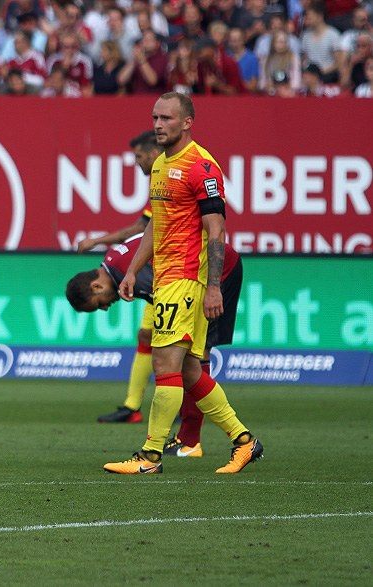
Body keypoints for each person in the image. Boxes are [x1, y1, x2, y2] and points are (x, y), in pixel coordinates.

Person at [105, 92, 263, 475]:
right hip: (166, 277)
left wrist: (213, 286)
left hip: (186, 279)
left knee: (164, 363)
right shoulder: (160, 164)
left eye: (167, 118)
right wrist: (132, 270)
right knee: (191, 371)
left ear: (188, 122)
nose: (158, 125)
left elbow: (217, 231)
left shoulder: (202, 167)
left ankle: (150, 457)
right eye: (155, 118)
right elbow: (155, 226)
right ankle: (244, 441)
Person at [67, 233, 245, 458]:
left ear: (95, 286)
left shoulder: (126, 273)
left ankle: (191, 441)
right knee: (186, 358)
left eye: (98, 304)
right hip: (205, 269)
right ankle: (211, 439)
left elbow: (170, 294)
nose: (105, 308)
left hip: (217, 272)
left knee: (195, 355)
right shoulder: (113, 260)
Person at [76, 130, 158, 424]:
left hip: (180, 270)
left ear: (153, 153)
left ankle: (183, 409)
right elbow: (143, 228)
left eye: (139, 156)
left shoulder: (170, 176)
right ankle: (132, 406)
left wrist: (97, 240)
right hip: (160, 271)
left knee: (175, 344)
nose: (136, 162)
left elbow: (140, 230)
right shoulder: (158, 180)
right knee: (147, 336)